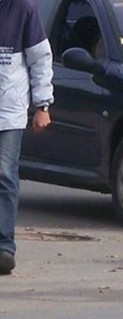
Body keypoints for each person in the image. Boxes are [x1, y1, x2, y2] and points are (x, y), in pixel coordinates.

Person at [0, 0, 54, 275]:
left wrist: (42, 105)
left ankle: (4, 248)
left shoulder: (22, 9)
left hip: (8, 111)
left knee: (5, 175)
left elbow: (40, 59)